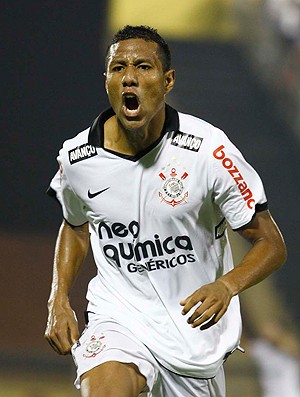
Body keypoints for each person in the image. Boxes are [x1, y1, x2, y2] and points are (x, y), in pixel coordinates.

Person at [44, 25, 287, 397]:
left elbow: (271, 243)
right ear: (106, 79)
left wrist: (227, 285)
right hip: (118, 315)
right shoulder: (78, 158)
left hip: (190, 335)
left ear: (168, 79)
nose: (129, 78)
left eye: (143, 67)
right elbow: (75, 226)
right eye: (118, 68)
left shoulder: (209, 151)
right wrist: (58, 299)